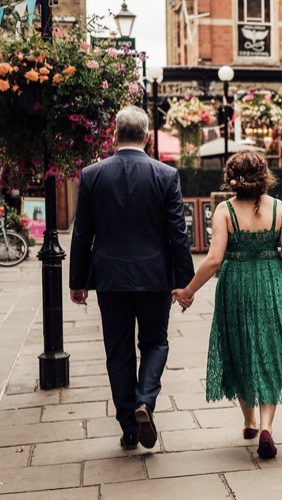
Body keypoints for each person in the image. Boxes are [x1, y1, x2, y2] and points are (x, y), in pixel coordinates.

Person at [172, 151, 282, 459]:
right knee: (269, 350)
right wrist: (272, 253)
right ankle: (267, 427)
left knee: (241, 347)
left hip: (237, 285)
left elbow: (214, 259)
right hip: (271, 284)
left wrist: (188, 291)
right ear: (264, 175)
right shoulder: (278, 208)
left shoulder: (224, 210)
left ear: (231, 177)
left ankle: (249, 420)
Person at [69, 105, 195, 451]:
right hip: (154, 277)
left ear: (114, 134)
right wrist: (185, 282)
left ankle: (128, 427)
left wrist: (77, 280)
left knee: (118, 352)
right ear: (148, 137)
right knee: (155, 343)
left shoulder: (93, 174)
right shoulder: (165, 175)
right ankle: (145, 399)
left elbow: (83, 234)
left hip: (110, 279)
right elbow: (177, 233)